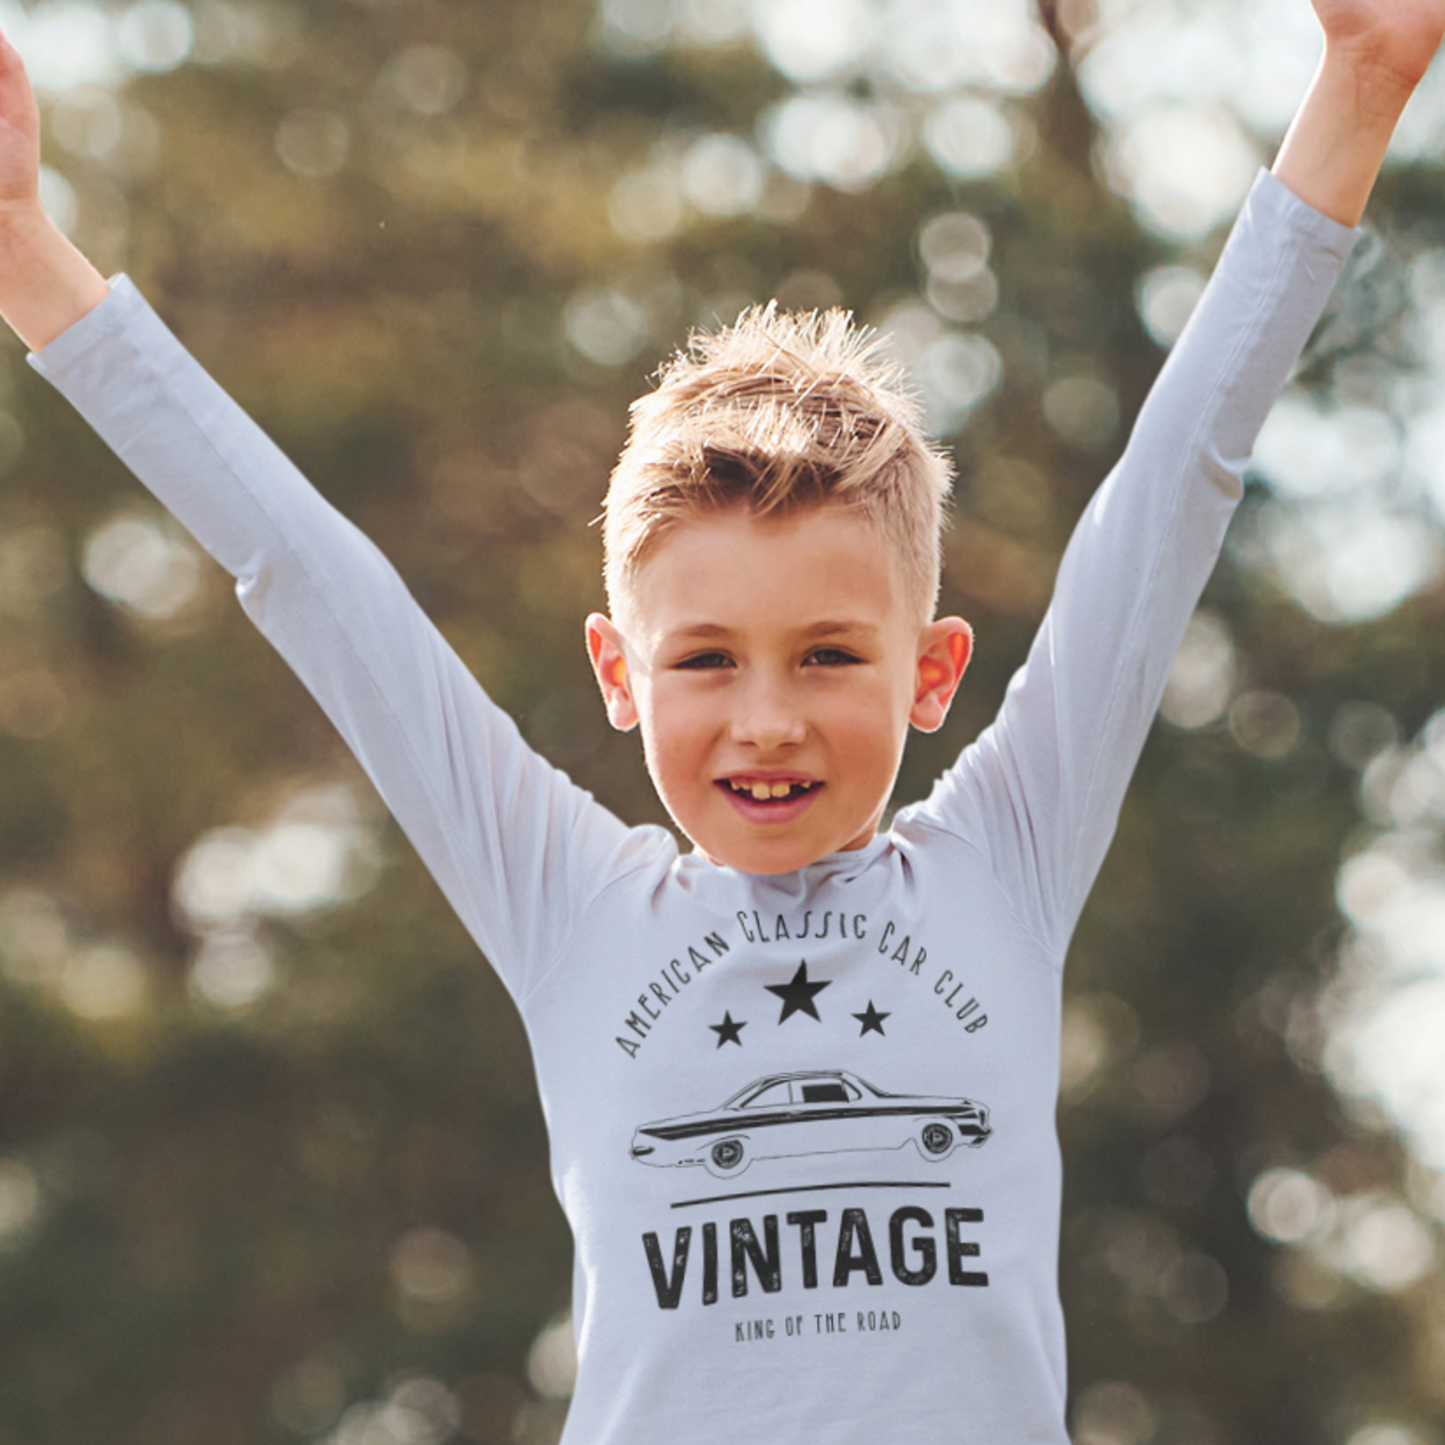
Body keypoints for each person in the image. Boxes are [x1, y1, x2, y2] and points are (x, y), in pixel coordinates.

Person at [2, 2, 1442, 1440]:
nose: (767, 721)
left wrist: (1363, 83)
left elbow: (1176, 481)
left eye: (826, 655)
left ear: (931, 674)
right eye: (704, 661)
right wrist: (27, 251)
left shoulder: (1005, 856)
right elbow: (306, 577)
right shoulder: (569, 903)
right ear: (618, 674)